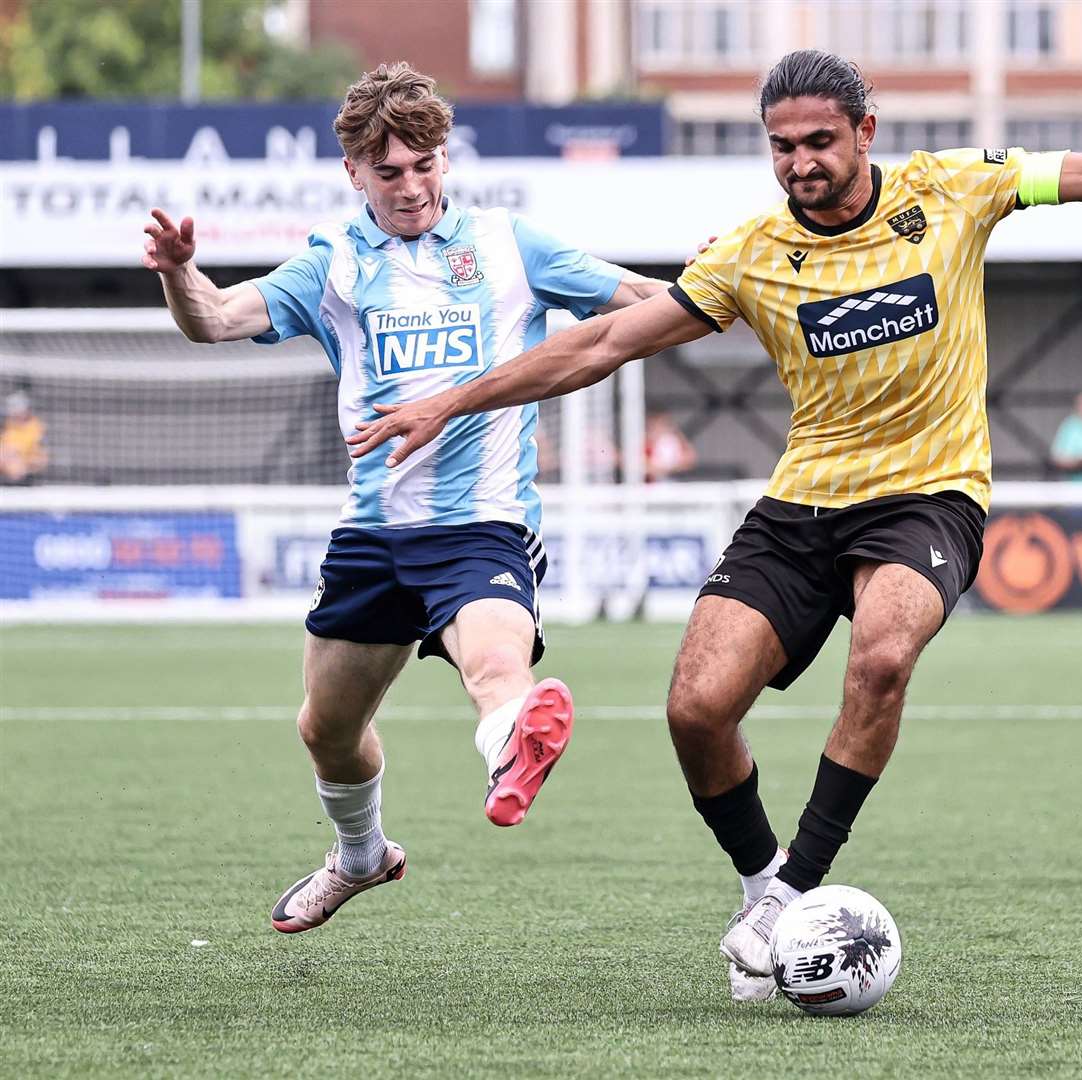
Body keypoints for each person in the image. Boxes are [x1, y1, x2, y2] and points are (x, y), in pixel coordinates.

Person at [344, 50, 1082, 999]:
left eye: (818, 142)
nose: (799, 163)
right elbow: (601, 346)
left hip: (931, 495)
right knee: (697, 708)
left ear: (866, 131)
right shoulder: (750, 254)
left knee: (882, 657)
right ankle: (761, 892)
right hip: (802, 504)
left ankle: (797, 889)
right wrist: (450, 401)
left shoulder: (952, 189)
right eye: (781, 146)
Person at [142, 62, 668, 934]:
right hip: (376, 535)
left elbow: (648, 301)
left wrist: (731, 297)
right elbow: (215, 318)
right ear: (354, 171)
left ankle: (511, 741)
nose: (413, 186)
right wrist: (177, 273)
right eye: (390, 172)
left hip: (484, 527)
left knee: (497, 664)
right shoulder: (332, 263)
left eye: (426, 165)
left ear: (445, 156)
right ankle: (360, 856)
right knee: (326, 728)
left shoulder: (510, 245)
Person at [0, 391, 47, 485]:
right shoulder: (6, 426)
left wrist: (22, 460)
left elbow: (40, 458)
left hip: (26, 470)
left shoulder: (36, 427)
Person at [645, 412, 697, 482]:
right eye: (654, 426)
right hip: (651, 484)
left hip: (673, 482)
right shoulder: (646, 443)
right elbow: (638, 466)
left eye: (661, 425)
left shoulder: (673, 441)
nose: (657, 429)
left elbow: (689, 460)